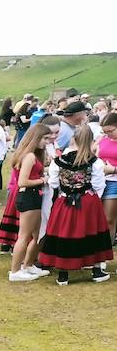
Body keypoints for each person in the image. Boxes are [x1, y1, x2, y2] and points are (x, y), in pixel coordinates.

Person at [39, 126, 113, 284]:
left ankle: (63, 274)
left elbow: (53, 183)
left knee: (64, 232)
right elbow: (99, 185)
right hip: (88, 201)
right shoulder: (95, 162)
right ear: (91, 140)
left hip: (64, 200)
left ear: (74, 138)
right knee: (92, 232)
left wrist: (66, 189)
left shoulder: (59, 161)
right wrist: (92, 199)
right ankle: (96, 271)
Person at [7, 121, 60, 282]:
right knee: (24, 236)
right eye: (45, 138)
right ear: (36, 138)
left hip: (34, 196)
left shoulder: (33, 155)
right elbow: (23, 181)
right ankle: (15, 271)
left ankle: (28, 265)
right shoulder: (29, 156)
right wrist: (43, 180)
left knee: (37, 234)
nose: (47, 141)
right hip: (28, 196)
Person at [97, 112, 117, 243]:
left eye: (111, 131)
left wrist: (113, 169)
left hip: (114, 181)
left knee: (109, 218)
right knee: (100, 218)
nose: (108, 134)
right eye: (105, 131)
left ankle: (107, 247)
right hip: (101, 180)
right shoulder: (103, 139)